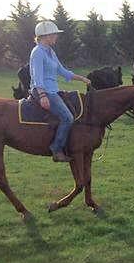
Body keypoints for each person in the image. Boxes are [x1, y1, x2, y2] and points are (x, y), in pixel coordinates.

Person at [29, 20, 91, 162]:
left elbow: (62, 71)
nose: (56, 36)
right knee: (67, 117)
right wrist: (42, 95)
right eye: (54, 34)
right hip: (44, 92)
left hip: (53, 91)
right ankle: (56, 149)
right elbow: (37, 75)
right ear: (46, 36)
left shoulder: (50, 52)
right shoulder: (38, 52)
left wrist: (81, 78)